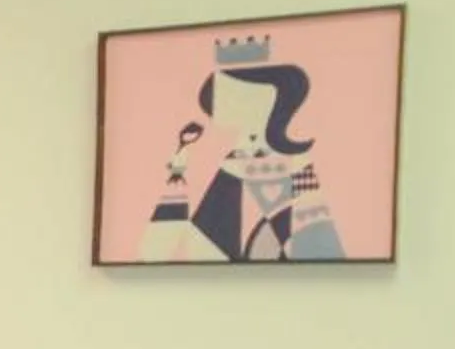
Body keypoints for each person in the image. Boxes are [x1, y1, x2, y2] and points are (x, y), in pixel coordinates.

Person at [134, 35, 345, 262]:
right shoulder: (232, 159)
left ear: (266, 96)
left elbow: (316, 246)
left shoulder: (291, 165)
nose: (218, 99)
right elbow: (191, 244)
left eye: (230, 89)